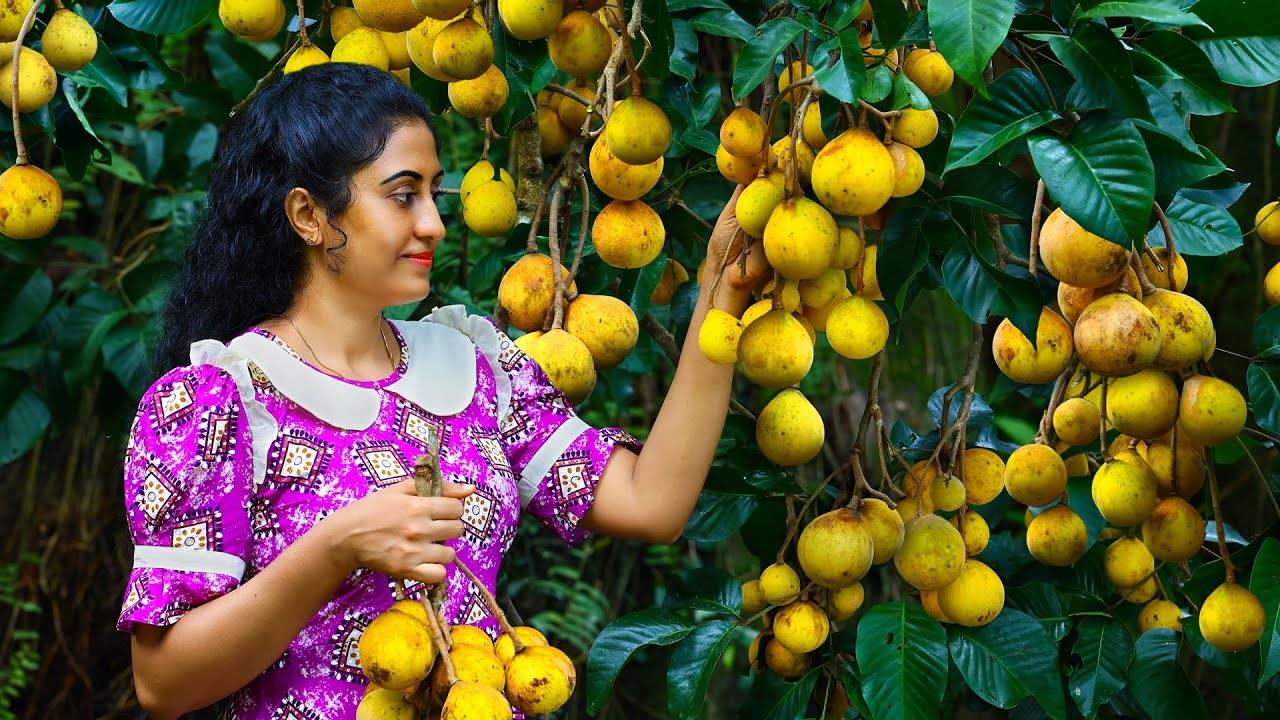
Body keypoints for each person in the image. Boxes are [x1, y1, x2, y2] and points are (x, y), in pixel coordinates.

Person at [119, 63, 765, 719]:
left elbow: (650, 503)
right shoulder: (218, 400)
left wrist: (721, 293)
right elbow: (165, 683)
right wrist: (336, 547)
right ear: (309, 215)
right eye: (403, 195)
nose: (433, 223)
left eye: (435, 194)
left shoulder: (473, 366)